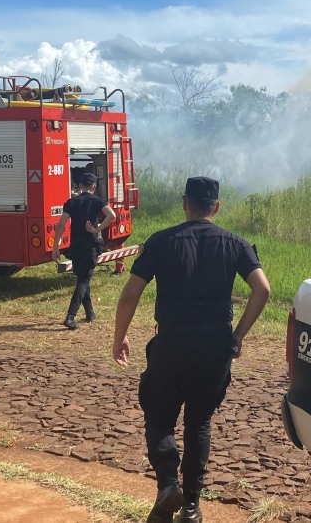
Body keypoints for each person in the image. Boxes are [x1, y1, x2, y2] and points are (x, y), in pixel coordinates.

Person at [112, 177, 270, 523]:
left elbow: (129, 294)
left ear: (185, 203)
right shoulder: (236, 243)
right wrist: (239, 335)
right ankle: (192, 508)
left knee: (158, 415)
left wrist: (119, 336)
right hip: (215, 347)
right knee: (199, 423)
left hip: (172, 343)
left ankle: (168, 483)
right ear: (216, 207)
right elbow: (263, 290)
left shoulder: (161, 241)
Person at [52, 172, 116, 330]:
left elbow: (61, 225)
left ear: (80, 186)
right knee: (83, 281)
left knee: (83, 277)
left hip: (76, 247)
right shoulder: (97, 201)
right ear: (94, 186)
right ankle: (70, 316)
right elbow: (112, 215)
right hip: (90, 246)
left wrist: (55, 247)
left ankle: (90, 312)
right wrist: (97, 229)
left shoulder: (71, 202)